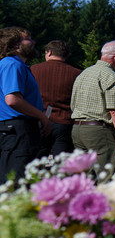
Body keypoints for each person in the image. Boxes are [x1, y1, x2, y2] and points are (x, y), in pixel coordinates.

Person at [71, 40, 115, 171]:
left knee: (84, 177)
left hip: (77, 129)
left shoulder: (84, 73)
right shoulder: (112, 77)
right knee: (106, 176)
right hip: (99, 132)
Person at [0, 27, 50, 180]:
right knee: (16, 181)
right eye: (28, 39)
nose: (33, 42)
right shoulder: (12, 65)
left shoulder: (14, 65)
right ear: (16, 44)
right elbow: (13, 99)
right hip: (17, 131)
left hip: (15, 130)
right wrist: (42, 117)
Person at [30, 39, 79, 157]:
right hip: (64, 122)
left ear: (49, 52)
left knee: (35, 163)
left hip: (39, 120)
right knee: (61, 164)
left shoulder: (33, 70)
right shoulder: (77, 73)